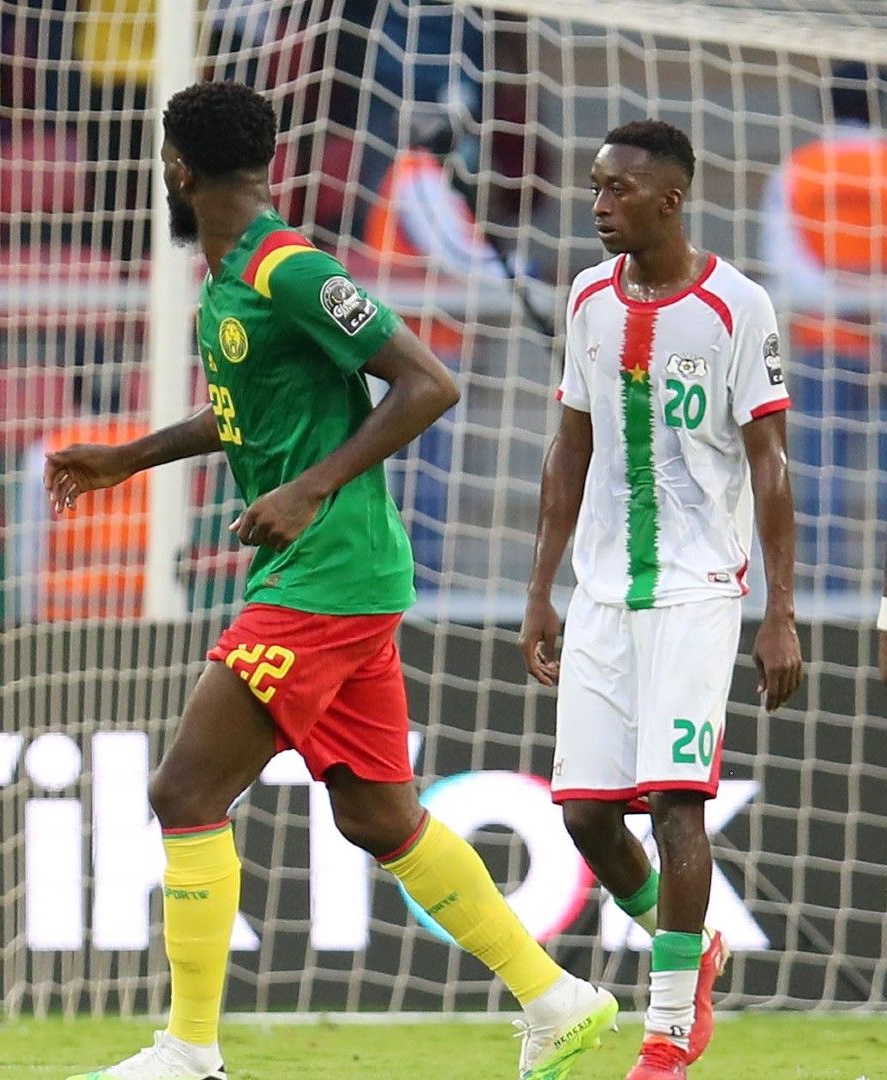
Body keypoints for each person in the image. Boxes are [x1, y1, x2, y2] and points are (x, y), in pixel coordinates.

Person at [46, 81, 615, 1080]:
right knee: (377, 816)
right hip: (330, 571)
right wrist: (127, 458)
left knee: (184, 788)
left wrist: (309, 492)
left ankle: (189, 1050)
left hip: (330, 571)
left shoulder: (288, 269)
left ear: (175, 167)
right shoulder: (229, 279)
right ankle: (556, 998)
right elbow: (248, 419)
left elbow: (430, 382)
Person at [519, 119, 801, 1080]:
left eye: (616, 191)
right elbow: (571, 445)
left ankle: (669, 1029)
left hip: (694, 591)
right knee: (587, 815)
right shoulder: (588, 297)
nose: (597, 206)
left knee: (675, 808)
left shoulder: (737, 306)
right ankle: (699, 948)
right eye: (595, 188)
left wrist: (780, 610)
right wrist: (541, 588)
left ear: (670, 200)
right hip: (600, 593)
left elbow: (770, 464)